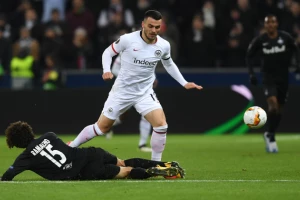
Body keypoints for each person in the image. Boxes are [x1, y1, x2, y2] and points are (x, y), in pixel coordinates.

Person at [68, 10, 203, 161]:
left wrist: (184, 83)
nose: (154, 30)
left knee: (161, 125)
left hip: (144, 93)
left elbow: (169, 64)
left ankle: (155, 165)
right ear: (143, 25)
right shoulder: (127, 39)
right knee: (102, 128)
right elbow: (107, 53)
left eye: (157, 27)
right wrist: (106, 70)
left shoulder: (164, 45)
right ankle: (71, 146)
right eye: (150, 26)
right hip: (122, 91)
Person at [0, 121, 185, 181]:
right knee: (123, 162)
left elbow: (9, 175)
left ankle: (158, 172)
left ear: (15, 142)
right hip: (91, 153)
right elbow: (64, 146)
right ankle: (165, 164)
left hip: (84, 171)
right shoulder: (49, 135)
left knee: (126, 172)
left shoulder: (25, 158)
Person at [246, 15, 300, 153]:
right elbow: (249, 56)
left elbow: (295, 49)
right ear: (265, 25)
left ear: (277, 24)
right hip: (268, 78)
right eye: (267, 22)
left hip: (283, 79)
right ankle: (270, 136)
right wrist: (251, 73)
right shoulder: (261, 40)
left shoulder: (285, 38)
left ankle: (269, 133)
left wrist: (298, 65)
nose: (270, 25)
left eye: (273, 22)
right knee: (273, 105)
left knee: (280, 110)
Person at [106, 52, 157, 153]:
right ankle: (109, 126)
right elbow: (114, 70)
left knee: (147, 114)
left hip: (142, 90)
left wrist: (153, 78)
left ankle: (142, 144)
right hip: (126, 89)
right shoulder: (124, 53)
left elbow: (148, 67)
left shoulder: (145, 52)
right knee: (121, 116)